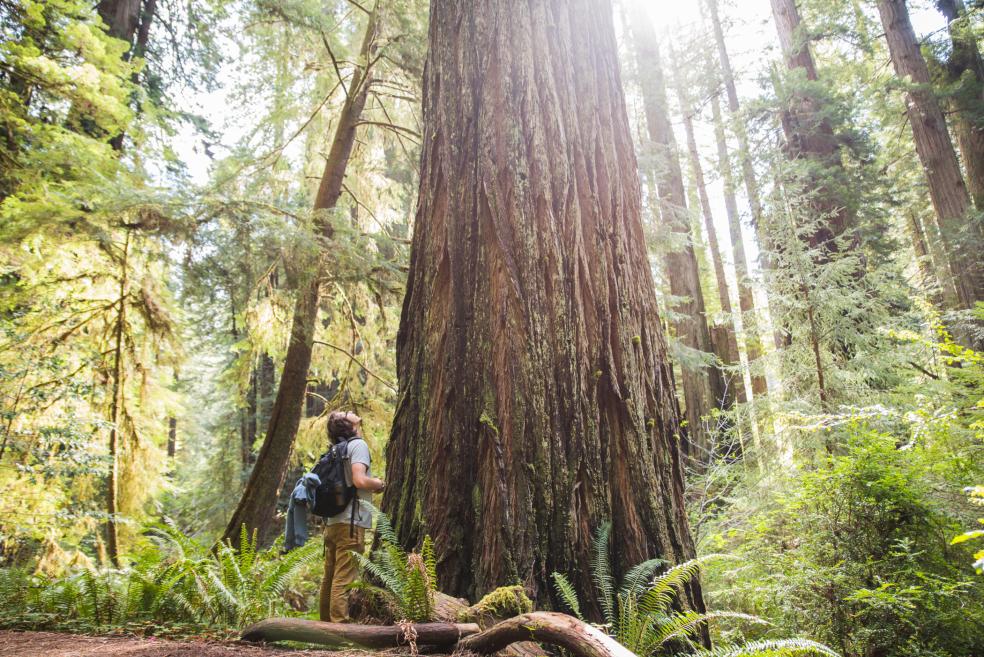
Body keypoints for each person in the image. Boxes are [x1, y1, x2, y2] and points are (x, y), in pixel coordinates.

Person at [319, 410, 385, 623]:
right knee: (344, 577)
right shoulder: (358, 446)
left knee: (329, 577)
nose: (350, 411)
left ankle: (324, 627)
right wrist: (380, 483)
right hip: (350, 523)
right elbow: (359, 480)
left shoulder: (336, 449)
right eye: (345, 412)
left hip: (332, 522)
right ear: (348, 424)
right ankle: (339, 629)